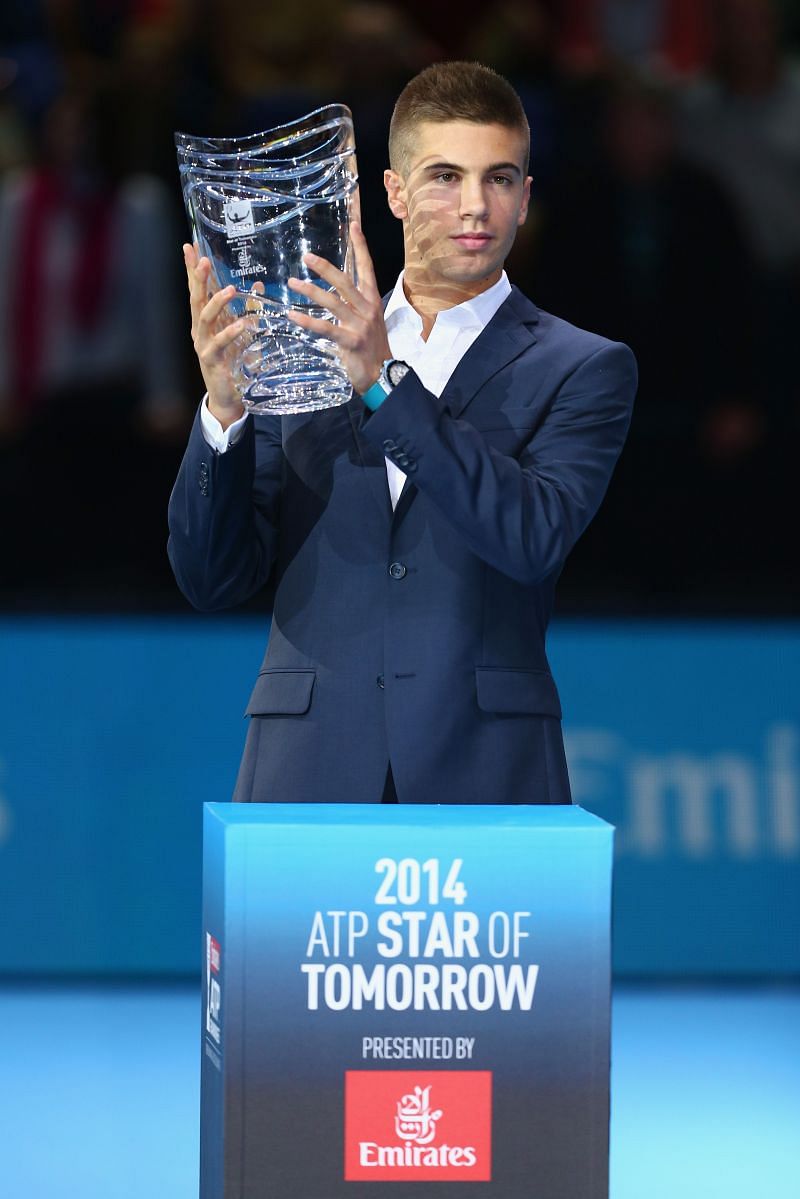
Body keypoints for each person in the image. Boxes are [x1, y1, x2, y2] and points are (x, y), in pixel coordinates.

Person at [168, 61, 637, 805]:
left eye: (501, 178)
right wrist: (223, 411)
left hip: (484, 777)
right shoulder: (298, 348)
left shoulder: (583, 367)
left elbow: (531, 537)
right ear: (392, 192)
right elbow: (212, 577)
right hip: (308, 776)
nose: (475, 206)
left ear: (526, 199)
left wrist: (385, 385)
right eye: (445, 177)